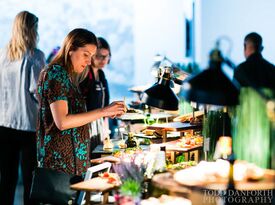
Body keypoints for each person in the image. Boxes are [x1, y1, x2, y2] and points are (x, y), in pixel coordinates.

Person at [36, 28, 125, 178]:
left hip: (74, 163)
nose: (89, 61)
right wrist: (103, 111)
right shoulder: (56, 73)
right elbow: (62, 122)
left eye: (91, 56)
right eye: (86, 55)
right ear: (71, 49)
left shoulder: (67, 75)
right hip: (60, 165)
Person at [0, 11, 45, 205]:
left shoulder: (3, 54)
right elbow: (37, 90)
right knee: (30, 180)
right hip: (28, 125)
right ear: (31, 28)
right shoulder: (35, 55)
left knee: (6, 180)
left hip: (4, 123)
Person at [79, 37, 116, 156]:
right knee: (89, 155)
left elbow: (105, 103)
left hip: (100, 122)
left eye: (106, 56)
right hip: (86, 123)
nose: (104, 60)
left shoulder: (101, 74)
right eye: (100, 56)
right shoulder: (84, 74)